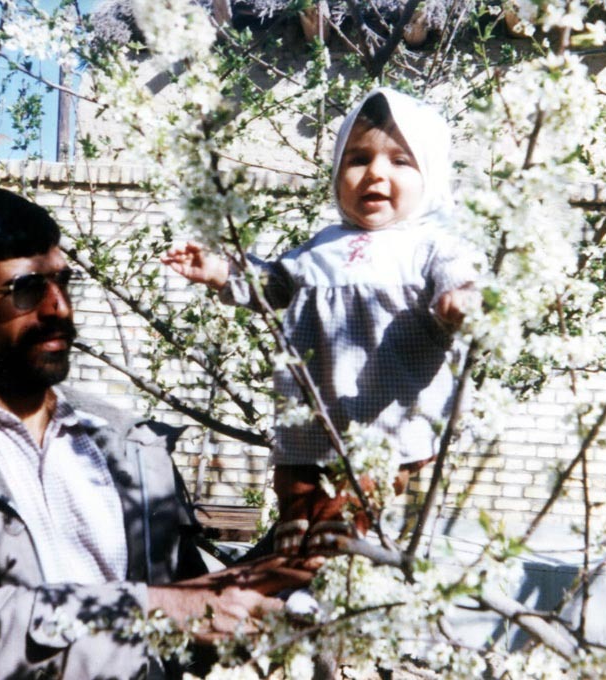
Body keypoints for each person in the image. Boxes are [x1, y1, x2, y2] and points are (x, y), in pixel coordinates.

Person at [0, 187, 320, 680]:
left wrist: (302, 550)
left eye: (63, 283)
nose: (59, 308)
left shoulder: (130, 447)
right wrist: (163, 610)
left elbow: (194, 621)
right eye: (26, 290)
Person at [163, 87, 480, 555]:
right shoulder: (321, 246)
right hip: (310, 423)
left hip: (389, 427)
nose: (375, 173)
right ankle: (294, 546)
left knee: (354, 514)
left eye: (399, 161)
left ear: (430, 176)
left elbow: (460, 280)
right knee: (296, 492)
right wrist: (221, 271)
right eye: (358, 159)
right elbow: (273, 284)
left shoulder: (432, 244)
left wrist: (460, 300)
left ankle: (331, 559)